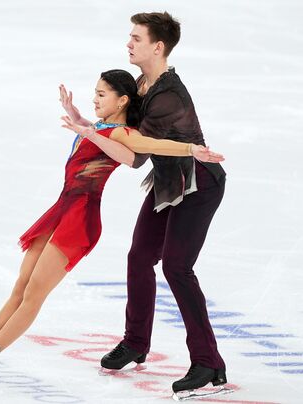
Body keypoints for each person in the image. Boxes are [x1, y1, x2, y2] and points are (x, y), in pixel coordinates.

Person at [0, 69, 224, 389]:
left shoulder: (122, 134)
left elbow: (140, 149)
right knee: (22, 284)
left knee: (34, 293)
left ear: (122, 100)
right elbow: (97, 132)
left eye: (102, 94)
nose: (95, 99)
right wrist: (80, 119)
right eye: (94, 93)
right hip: (62, 209)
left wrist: (191, 149)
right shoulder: (102, 127)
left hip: (80, 217)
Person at [61, 12, 229, 399]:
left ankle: (209, 364)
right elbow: (129, 142)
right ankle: (136, 342)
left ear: (158, 46)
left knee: (176, 266)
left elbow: (135, 151)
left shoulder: (168, 95)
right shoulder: (141, 84)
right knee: (139, 257)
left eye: (136, 38)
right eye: (129, 37)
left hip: (199, 184)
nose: (129, 44)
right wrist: (87, 122)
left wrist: (91, 131)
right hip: (170, 182)